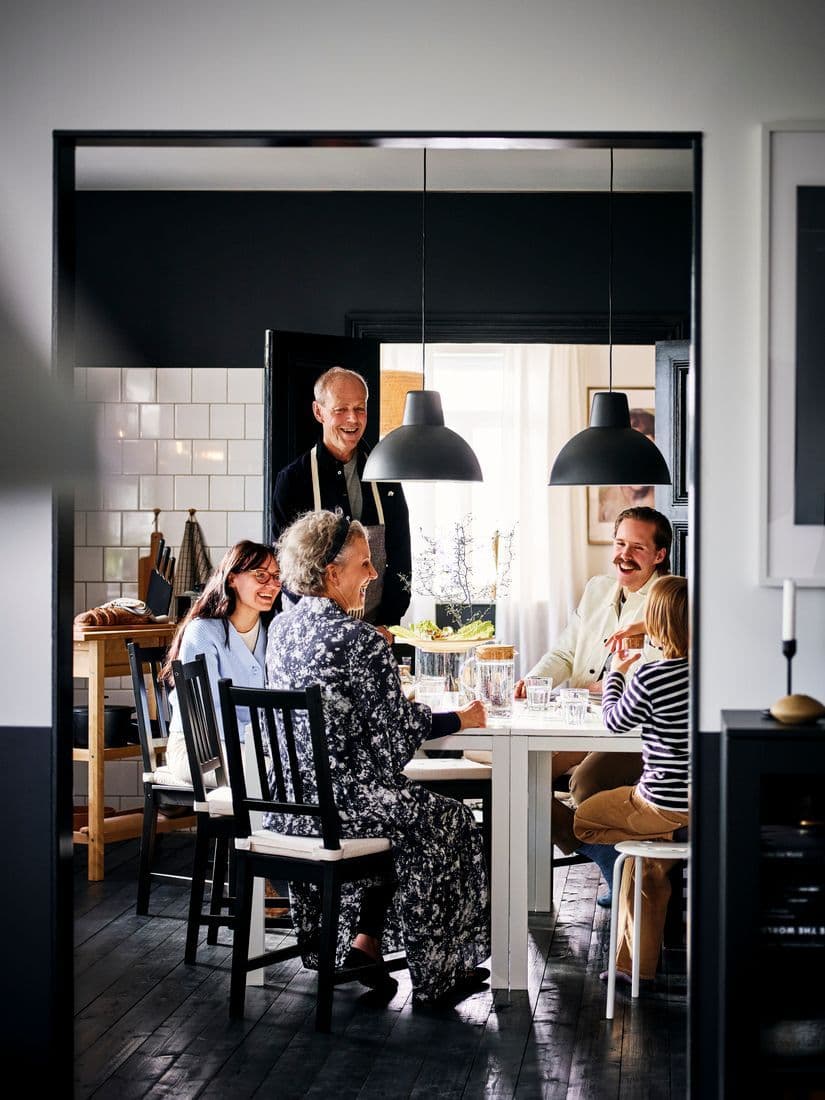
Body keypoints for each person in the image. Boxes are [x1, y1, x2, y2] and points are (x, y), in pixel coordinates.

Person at [266, 508, 490, 1003]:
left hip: (289, 805)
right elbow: (392, 740)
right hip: (344, 807)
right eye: (363, 564)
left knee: (407, 814)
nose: (372, 574)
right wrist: (459, 718)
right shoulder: (361, 640)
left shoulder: (281, 630)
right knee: (449, 821)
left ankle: (365, 944)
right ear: (331, 573)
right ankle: (440, 972)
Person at [514, 506, 673, 901]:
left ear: (659, 555)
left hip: (634, 730)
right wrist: (534, 681)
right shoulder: (598, 588)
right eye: (620, 543)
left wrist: (593, 690)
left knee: (586, 782)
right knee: (519, 773)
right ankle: (605, 858)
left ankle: (621, 866)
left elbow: (652, 677)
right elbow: (566, 653)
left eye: (637, 547)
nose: (624, 555)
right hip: (580, 720)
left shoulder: (669, 598)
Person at [573, 575, 690, 986]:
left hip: (655, 803)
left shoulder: (650, 677)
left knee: (584, 817)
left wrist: (619, 674)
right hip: (701, 806)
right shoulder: (714, 676)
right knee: (646, 865)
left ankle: (631, 967)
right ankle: (631, 969)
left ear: (655, 625)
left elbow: (614, 721)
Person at [271, 366, 411, 643]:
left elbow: (401, 559)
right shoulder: (293, 480)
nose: (352, 419)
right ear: (318, 412)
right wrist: (321, 626)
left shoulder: (386, 478)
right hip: (312, 635)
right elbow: (285, 568)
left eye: (360, 408)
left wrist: (388, 623)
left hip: (375, 633)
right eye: (340, 409)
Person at [162, 540, 280, 784]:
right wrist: (262, 742)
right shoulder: (202, 632)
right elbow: (210, 713)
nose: (272, 584)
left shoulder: (274, 632)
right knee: (272, 774)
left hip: (253, 745)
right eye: (261, 575)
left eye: (277, 576)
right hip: (198, 747)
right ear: (232, 578)